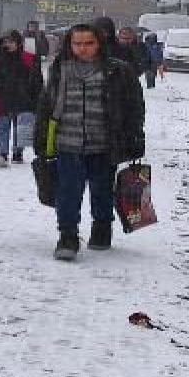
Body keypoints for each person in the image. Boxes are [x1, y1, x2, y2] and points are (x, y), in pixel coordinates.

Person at [33, 23, 145, 261]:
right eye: (77, 44)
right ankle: (67, 236)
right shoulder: (60, 69)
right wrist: (41, 138)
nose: (83, 49)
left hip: (104, 143)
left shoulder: (117, 70)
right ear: (69, 45)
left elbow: (134, 106)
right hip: (67, 143)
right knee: (68, 192)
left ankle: (102, 228)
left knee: (102, 190)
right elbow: (46, 104)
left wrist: (134, 137)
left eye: (89, 43)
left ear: (100, 44)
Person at [0, 29, 43, 166]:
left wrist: (37, 97)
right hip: (2, 97)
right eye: (5, 42)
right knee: (3, 126)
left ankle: (17, 153)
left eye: (11, 41)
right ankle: (2, 154)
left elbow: (37, 78)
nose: (7, 44)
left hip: (23, 98)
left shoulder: (27, 56)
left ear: (18, 42)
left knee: (19, 127)